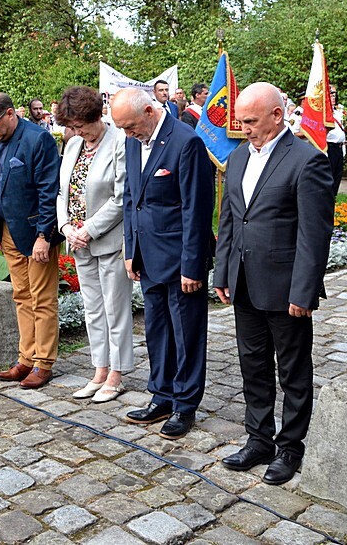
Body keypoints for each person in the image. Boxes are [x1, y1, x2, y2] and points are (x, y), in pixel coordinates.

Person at [213, 82, 335, 486]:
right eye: (240, 121)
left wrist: (304, 291)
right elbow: (230, 220)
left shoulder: (306, 160)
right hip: (244, 283)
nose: (243, 128)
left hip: (285, 289)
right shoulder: (237, 157)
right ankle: (258, 438)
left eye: (250, 121)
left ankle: (291, 447)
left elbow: (313, 235)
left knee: (294, 370)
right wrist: (223, 272)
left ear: (276, 115)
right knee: (253, 366)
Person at [112, 87, 213, 439]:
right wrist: (130, 249)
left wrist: (192, 265)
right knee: (156, 330)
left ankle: (185, 404)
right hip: (147, 255)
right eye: (122, 128)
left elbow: (196, 210)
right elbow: (130, 198)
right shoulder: (131, 141)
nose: (127, 134)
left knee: (186, 334)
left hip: (180, 258)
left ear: (150, 111)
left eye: (130, 126)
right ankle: (162, 394)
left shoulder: (186, 142)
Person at [55, 86, 133, 404]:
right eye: (71, 126)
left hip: (109, 240)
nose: (75, 131)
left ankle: (117, 374)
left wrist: (89, 228)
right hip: (78, 242)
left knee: (115, 309)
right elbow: (62, 191)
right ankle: (99, 369)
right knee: (92, 309)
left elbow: (121, 196)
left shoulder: (119, 142)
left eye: (79, 125)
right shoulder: (73, 145)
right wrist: (65, 227)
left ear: (95, 116)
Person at [0, 91, 63, 389]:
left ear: (11, 114)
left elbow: (48, 191)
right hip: (7, 231)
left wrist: (44, 235)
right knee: (21, 296)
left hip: (35, 233)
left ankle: (44, 363)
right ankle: (25, 358)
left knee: (42, 299)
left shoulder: (38, 139)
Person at [325, 86, 346, 195]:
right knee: (330, 173)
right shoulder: (324, 112)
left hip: (339, 146)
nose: (333, 97)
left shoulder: (338, 111)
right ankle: (328, 195)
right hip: (330, 146)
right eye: (331, 94)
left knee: (338, 173)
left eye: (334, 95)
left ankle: (334, 195)